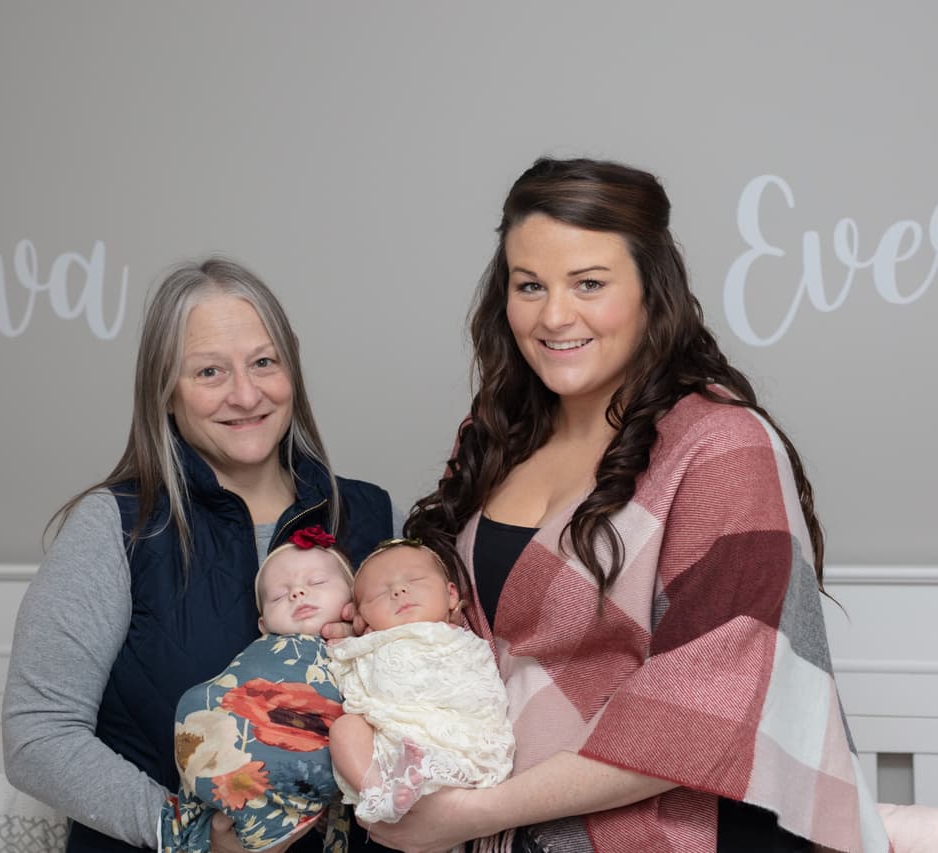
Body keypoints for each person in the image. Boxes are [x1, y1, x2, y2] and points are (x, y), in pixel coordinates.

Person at [375, 158, 890, 853]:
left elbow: (703, 705)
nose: (555, 315)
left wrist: (473, 813)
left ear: (652, 289)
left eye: (589, 283)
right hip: (505, 824)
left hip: (685, 833)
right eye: (530, 285)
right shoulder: (495, 436)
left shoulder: (719, 445)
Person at [2, 257, 395, 853]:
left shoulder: (370, 517)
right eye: (209, 371)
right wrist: (185, 834)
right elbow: (38, 736)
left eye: (264, 362)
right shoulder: (116, 529)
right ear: (165, 392)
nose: (245, 393)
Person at [161, 527, 357, 853]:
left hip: (301, 757)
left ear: (354, 600)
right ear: (263, 625)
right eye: (279, 596)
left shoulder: (364, 648)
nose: (297, 593)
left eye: (317, 583)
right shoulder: (263, 651)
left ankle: (277, 811)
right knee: (195, 702)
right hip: (224, 761)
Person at [326, 540, 514, 826]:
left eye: (413, 580)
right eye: (380, 593)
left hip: (460, 737)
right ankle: (378, 793)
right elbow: (343, 672)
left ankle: (431, 773)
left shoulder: (462, 639)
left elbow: (483, 689)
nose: (399, 591)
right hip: (390, 743)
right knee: (345, 729)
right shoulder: (367, 645)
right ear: (362, 619)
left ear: (451, 595)